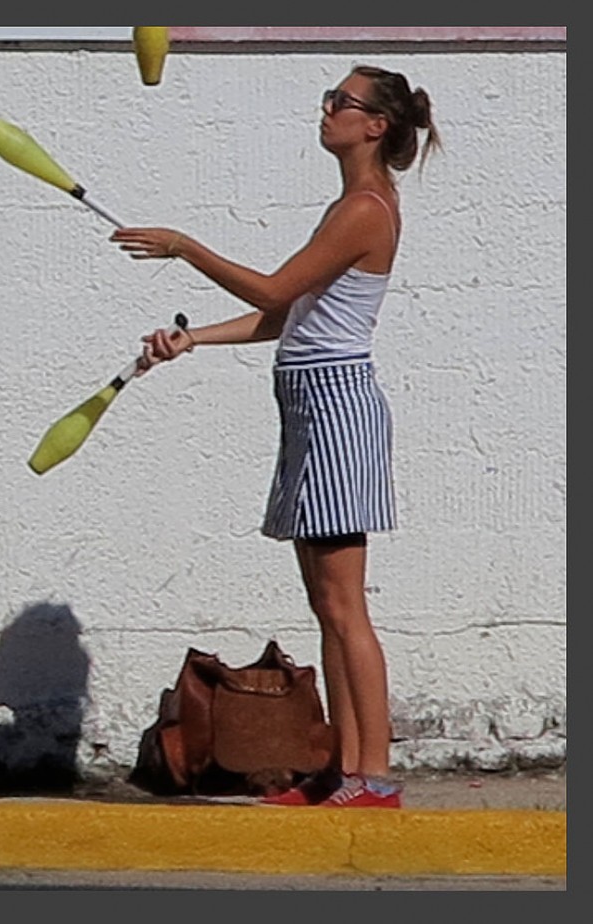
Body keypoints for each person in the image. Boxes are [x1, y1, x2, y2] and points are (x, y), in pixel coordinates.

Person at [111, 65, 440, 808]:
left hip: (336, 406)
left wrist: (186, 246)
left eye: (342, 103)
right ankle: (340, 771)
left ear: (374, 126)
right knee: (327, 604)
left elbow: (272, 291)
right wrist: (194, 342)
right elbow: (285, 319)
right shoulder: (347, 205)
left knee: (346, 606)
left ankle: (373, 778)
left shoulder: (364, 207)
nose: (327, 110)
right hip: (310, 402)